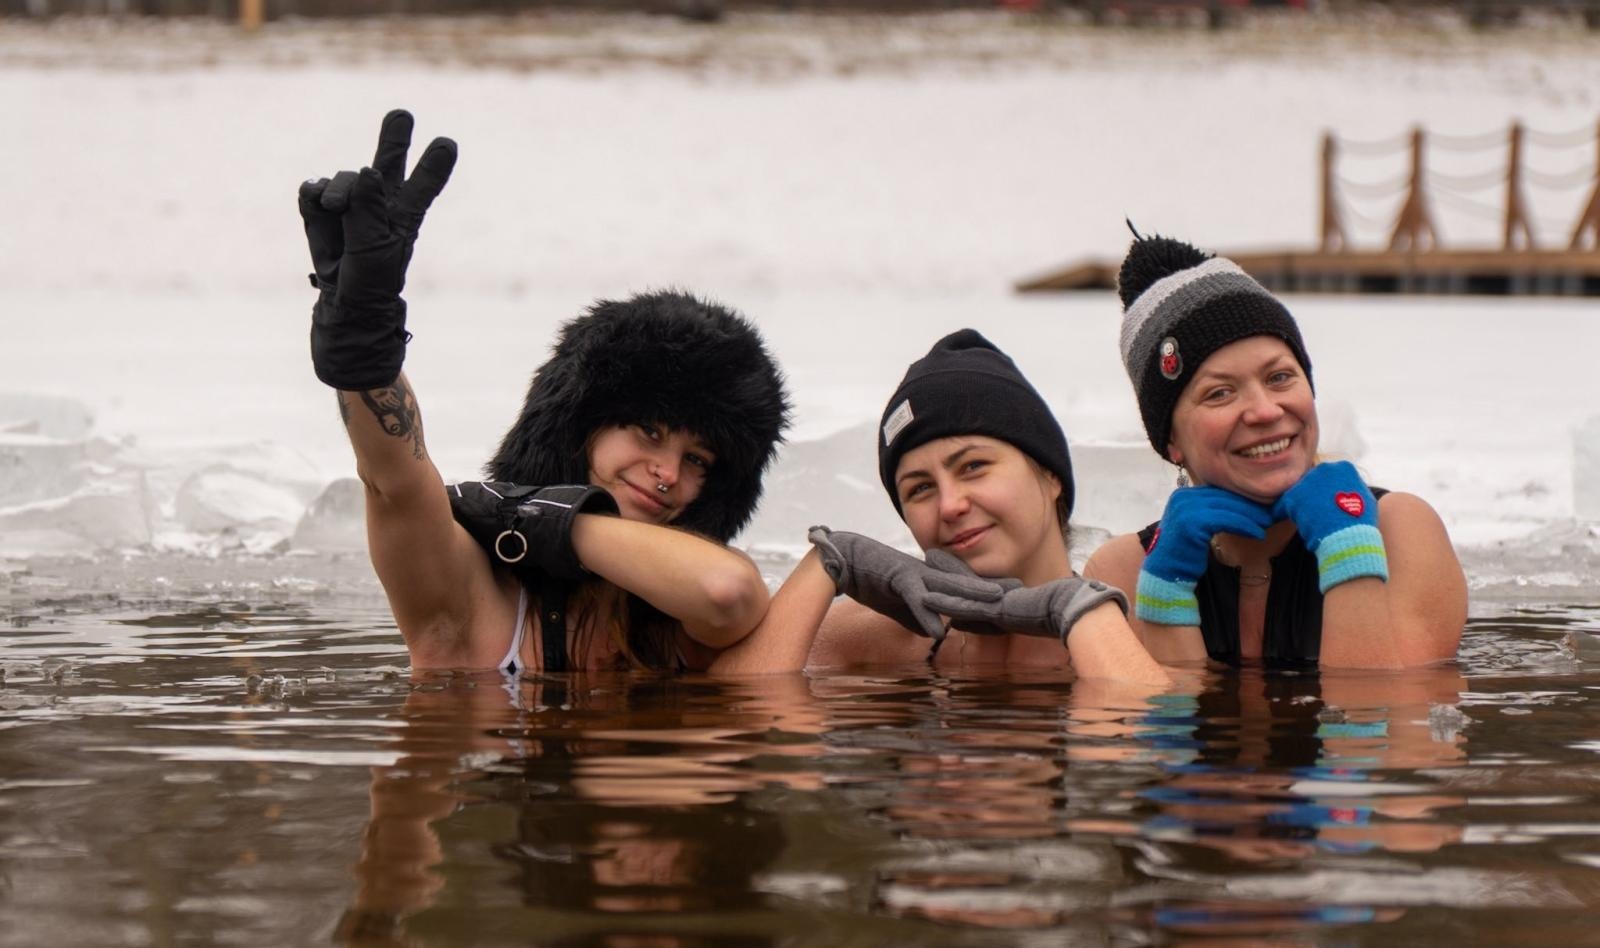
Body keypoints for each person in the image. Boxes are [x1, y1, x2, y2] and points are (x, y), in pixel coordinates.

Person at [297, 110, 790, 673]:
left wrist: (534, 519)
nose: (668, 473)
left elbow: (724, 590)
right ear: (578, 424)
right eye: (650, 431)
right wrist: (365, 349)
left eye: (697, 458)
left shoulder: (687, 628)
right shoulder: (472, 603)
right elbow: (393, 483)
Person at [1083, 232, 1466, 670]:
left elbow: (1376, 722)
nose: (1265, 411)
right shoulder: (1125, 572)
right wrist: (1165, 593)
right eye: (1220, 393)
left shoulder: (1401, 533)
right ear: (1171, 441)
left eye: (1280, 377)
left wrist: (1349, 551)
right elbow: (1165, 732)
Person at [711, 329, 1168, 685]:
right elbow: (741, 714)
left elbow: (1143, 746)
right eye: (920, 489)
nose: (950, 505)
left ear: (1050, 476)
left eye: (972, 467)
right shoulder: (888, 635)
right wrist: (831, 561)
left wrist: (1078, 610)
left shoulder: (1145, 619)